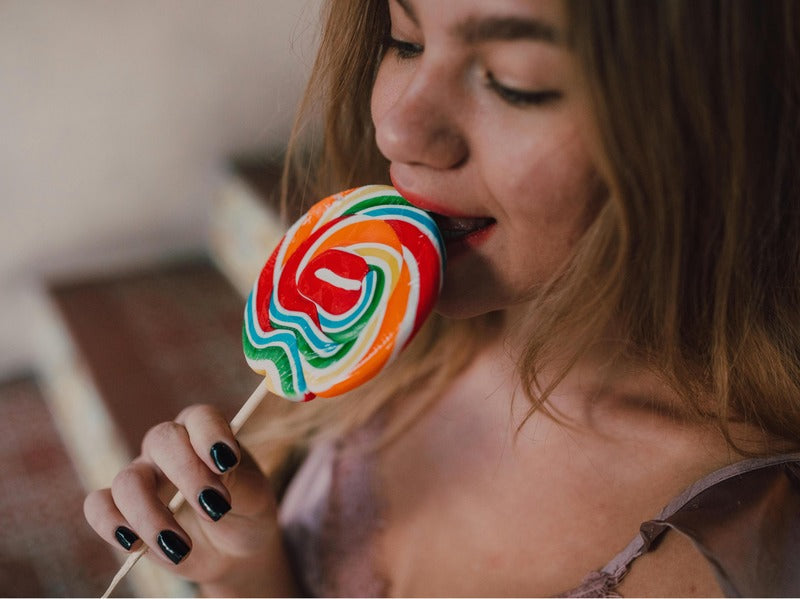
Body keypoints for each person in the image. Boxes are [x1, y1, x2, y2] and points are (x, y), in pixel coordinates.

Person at [84, 0, 800, 596]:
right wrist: (246, 565)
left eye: (513, 81)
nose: (396, 126)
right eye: (403, 40)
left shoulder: (733, 554)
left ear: (710, 125)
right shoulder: (397, 337)